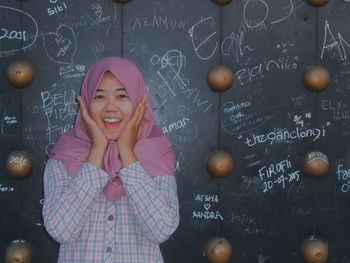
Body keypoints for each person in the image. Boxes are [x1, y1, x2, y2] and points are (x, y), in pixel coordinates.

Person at [42, 56, 180, 262]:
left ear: (139, 102)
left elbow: (161, 230)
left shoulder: (156, 154)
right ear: (86, 102)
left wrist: (127, 152)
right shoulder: (65, 156)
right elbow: (61, 230)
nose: (110, 107)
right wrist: (97, 150)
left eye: (122, 96)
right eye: (99, 97)